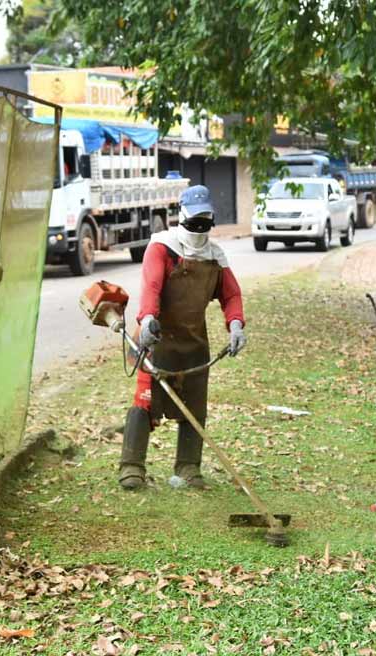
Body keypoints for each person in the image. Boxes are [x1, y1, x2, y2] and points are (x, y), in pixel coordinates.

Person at [119, 185, 246, 490]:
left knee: (194, 406)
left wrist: (236, 324)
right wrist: (148, 318)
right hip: (156, 338)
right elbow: (150, 286)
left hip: (194, 343)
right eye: (195, 221)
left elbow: (231, 294)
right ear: (182, 217)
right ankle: (131, 467)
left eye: (205, 222)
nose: (199, 229)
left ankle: (189, 468)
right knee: (145, 402)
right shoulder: (162, 247)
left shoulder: (215, 256)